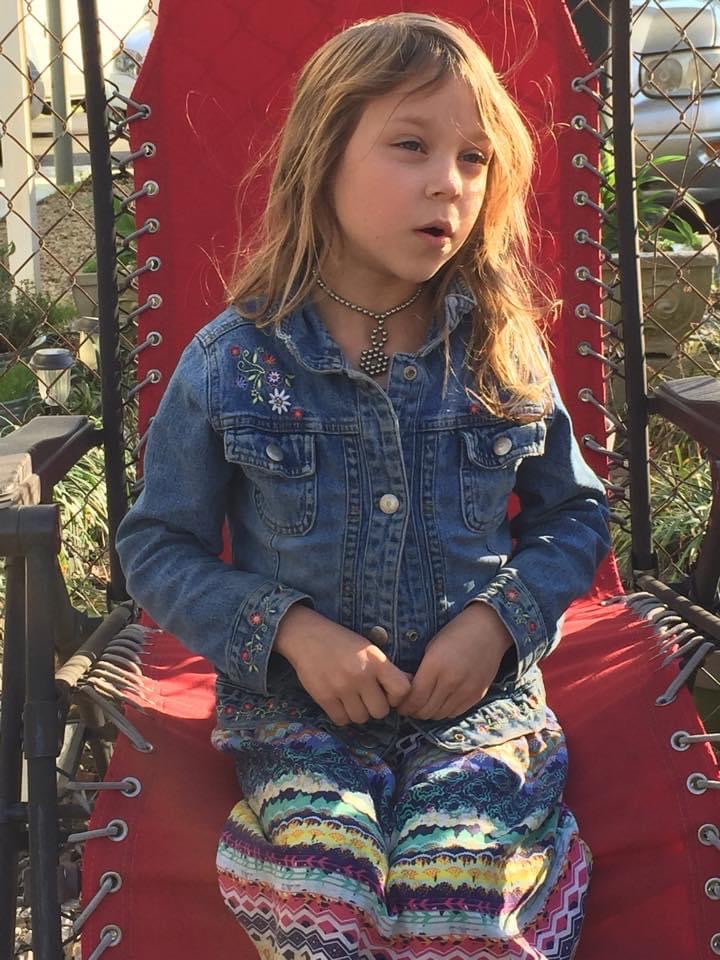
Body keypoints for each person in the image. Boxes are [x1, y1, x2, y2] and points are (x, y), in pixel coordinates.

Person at [116, 11, 611, 960]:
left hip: (478, 713)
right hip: (297, 716)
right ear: (322, 156)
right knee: (324, 890)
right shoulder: (232, 362)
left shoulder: (501, 349)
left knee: (457, 890)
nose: (448, 181)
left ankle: (520, 866)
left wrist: (497, 622)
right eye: (411, 145)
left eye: (474, 159)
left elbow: (575, 514)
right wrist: (290, 632)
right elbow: (155, 546)